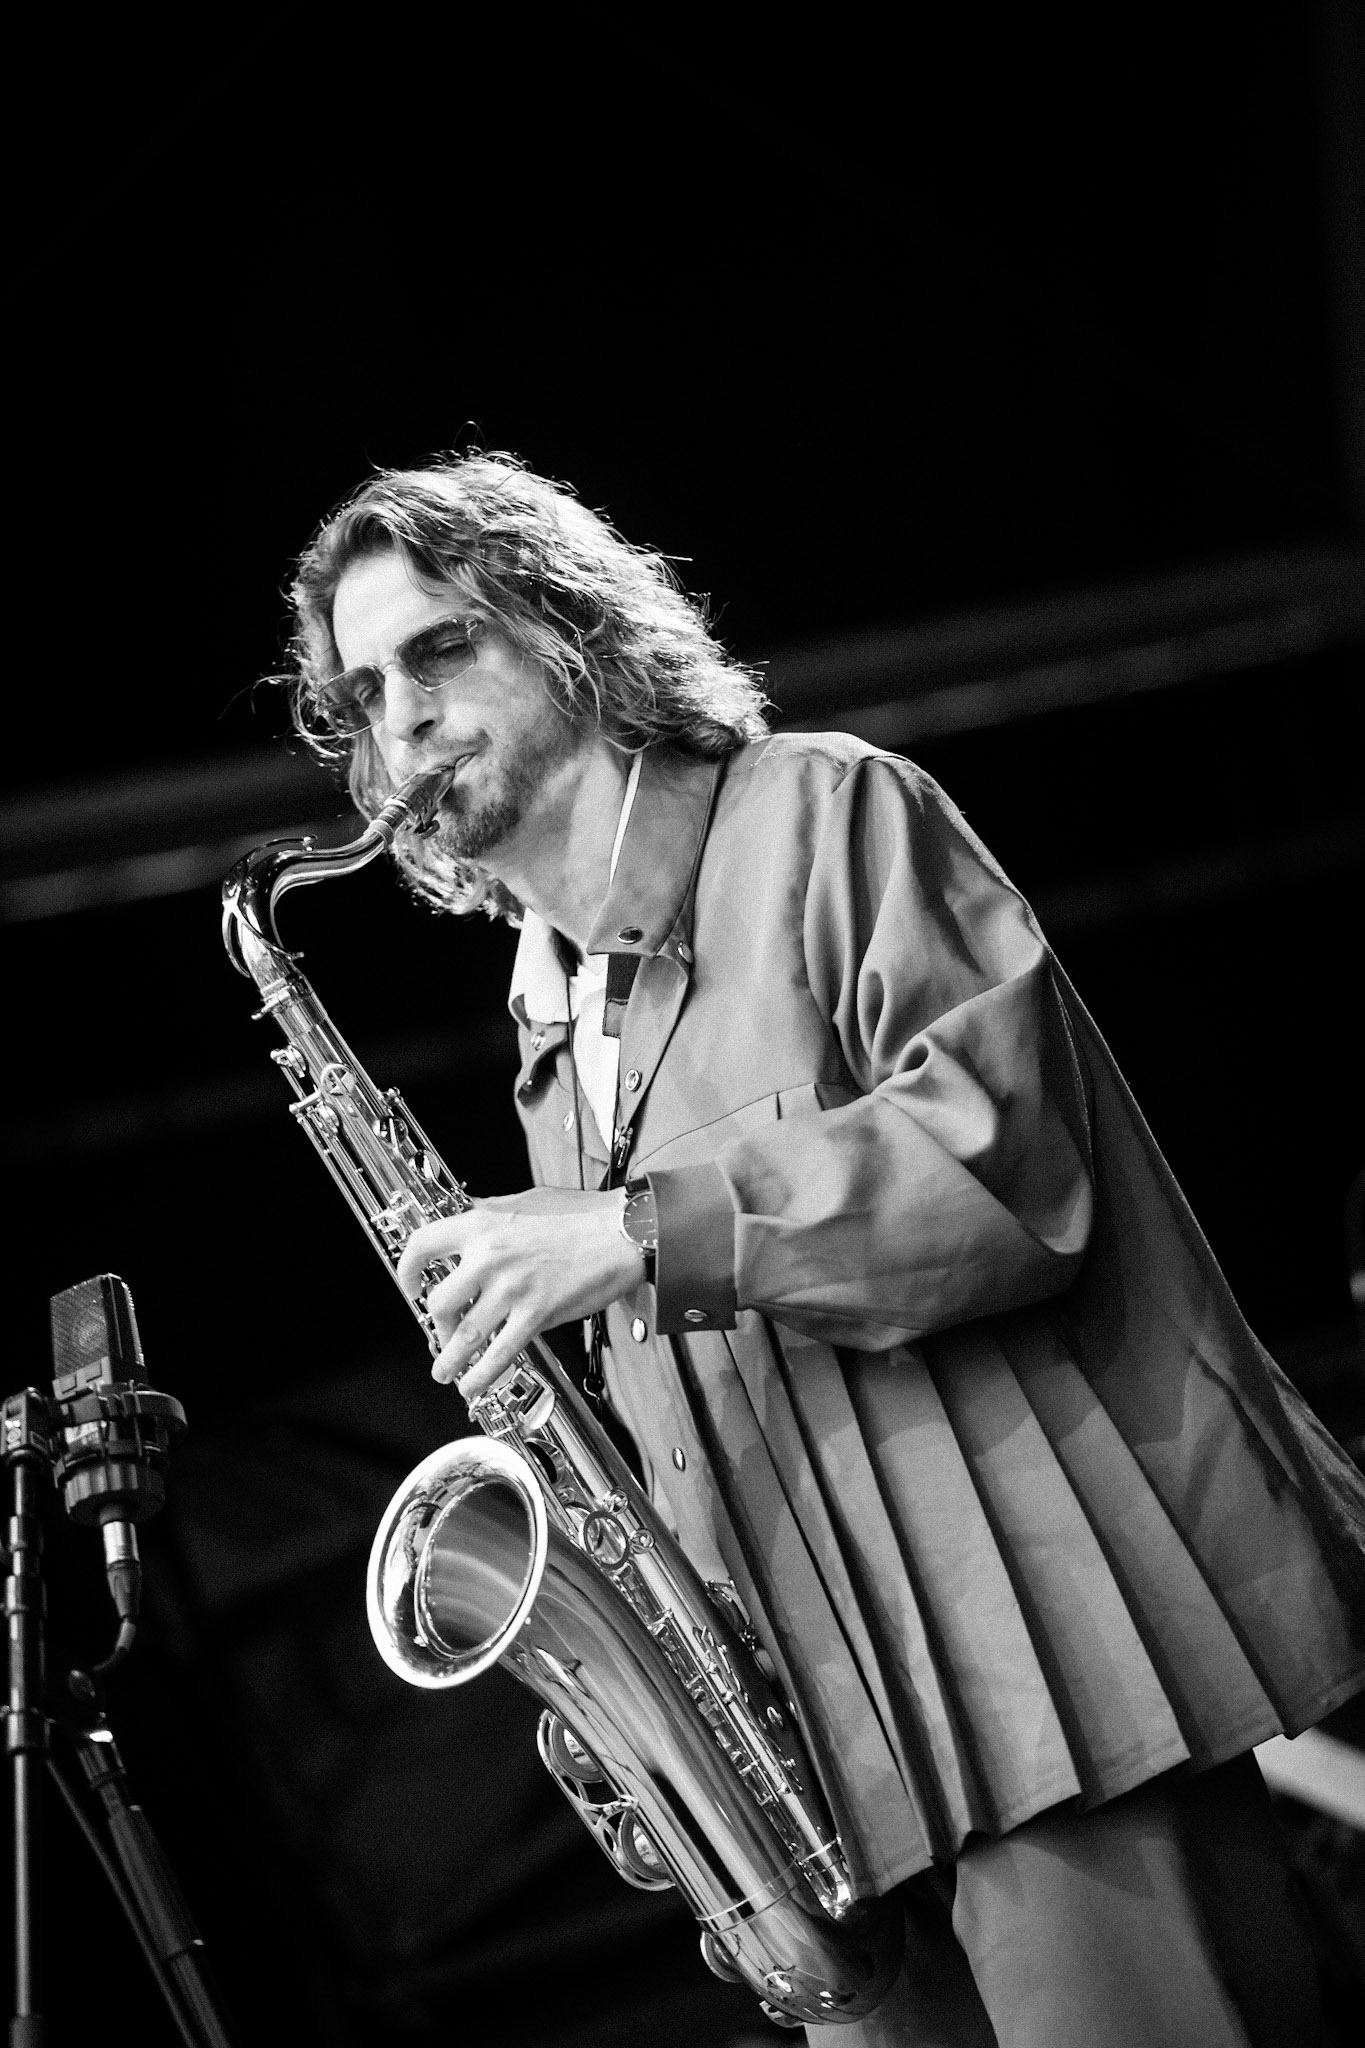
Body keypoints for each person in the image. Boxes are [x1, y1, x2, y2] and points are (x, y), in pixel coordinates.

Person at [283, 452, 1365, 2048]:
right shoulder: (544, 1032)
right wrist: (643, 1700)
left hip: (1051, 1688)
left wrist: (645, 1232)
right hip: (823, 1789)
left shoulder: (823, 808)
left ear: (571, 632)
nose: (404, 717)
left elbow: (1005, 1173)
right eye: (366, 692)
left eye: (441, 649)